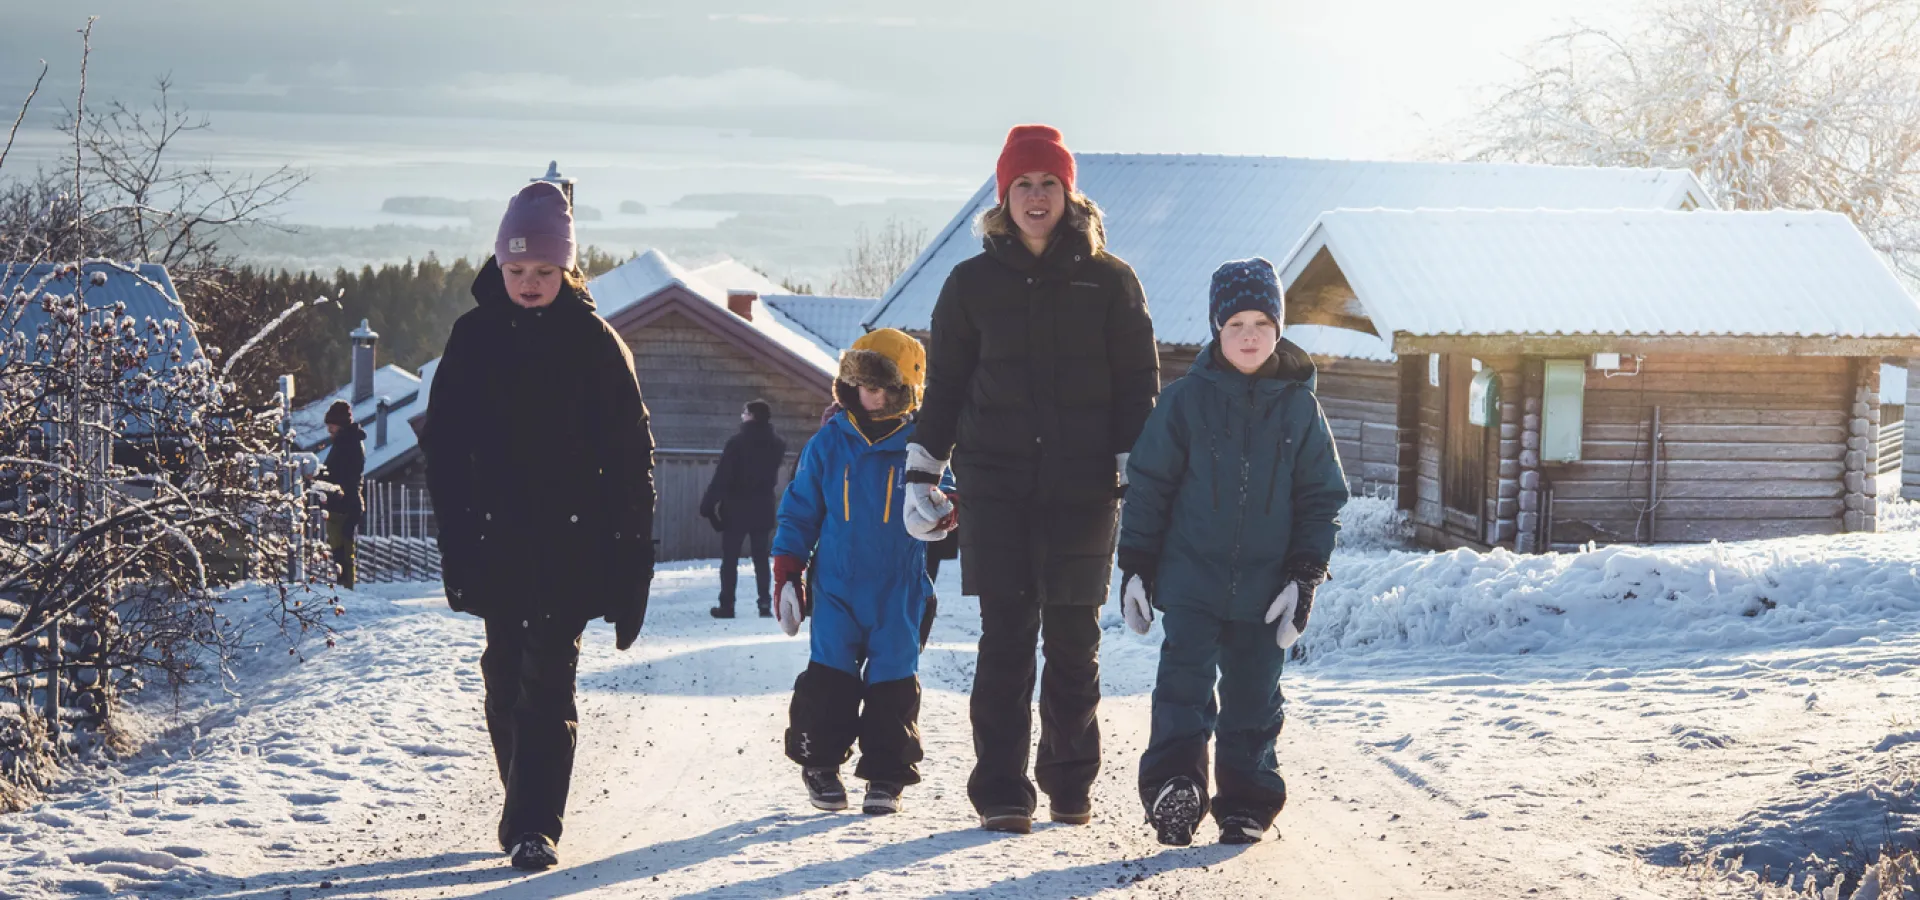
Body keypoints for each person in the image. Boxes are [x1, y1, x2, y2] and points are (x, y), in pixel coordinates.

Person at [903, 124, 1160, 833]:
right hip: (997, 487)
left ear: (1070, 193)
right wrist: (924, 469)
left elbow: (1139, 383)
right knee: (1007, 638)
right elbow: (947, 383)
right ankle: (1003, 792)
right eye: (1024, 185)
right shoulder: (971, 284)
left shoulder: (1110, 281)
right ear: (1004, 195)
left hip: (1084, 490)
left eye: (1049, 183)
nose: (1037, 197)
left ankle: (1070, 783)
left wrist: (1140, 472)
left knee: (1075, 641)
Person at [421, 180, 657, 872]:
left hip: (572, 547)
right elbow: (444, 452)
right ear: (499, 265)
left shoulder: (597, 345)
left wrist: (632, 563)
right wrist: (456, 545)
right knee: (503, 676)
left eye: (544, 272)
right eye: (517, 270)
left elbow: (632, 458)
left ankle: (532, 826)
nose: (529, 283)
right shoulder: (473, 339)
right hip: (496, 543)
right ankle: (523, 801)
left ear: (568, 269)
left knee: (548, 682)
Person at [1117, 258, 1348, 847]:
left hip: (1268, 590)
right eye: (1236, 323)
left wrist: (1304, 576)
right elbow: (1149, 486)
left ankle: (1245, 802)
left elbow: (1322, 498)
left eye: (1262, 323)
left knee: (1253, 697)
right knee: (1182, 690)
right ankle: (1176, 789)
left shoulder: (1300, 408)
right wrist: (1136, 567)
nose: (1249, 335)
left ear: (1279, 329)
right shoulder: (1185, 402)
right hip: (1191, 582)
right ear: (1217, 329)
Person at [771, 329, 955, 817]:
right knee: (829, 678)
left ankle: (886, 774)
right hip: (835, 586)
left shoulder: (925, 446)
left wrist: (945, 509)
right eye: (858, 386)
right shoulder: (830, 442)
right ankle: (820, 765)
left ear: (905, 390)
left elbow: (951, 496)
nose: (867, 396)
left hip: (900, 588)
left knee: (894, 682)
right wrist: (787, 571)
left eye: (878, 386)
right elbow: (800, 509)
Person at [701, 399, 787, 618]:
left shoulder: (736, 443)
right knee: (761, 558)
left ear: (752, 416)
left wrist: (709, 504)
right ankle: (765, 602)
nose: (742, 416)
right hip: (763, 506)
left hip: (736, 507)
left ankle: (727, 604)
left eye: (745, 412)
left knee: (730, 559)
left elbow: (723, 476)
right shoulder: (777, 445)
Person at [318, 400, 365, 589]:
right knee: (341, 549)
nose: (329, 430)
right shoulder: (346, 443)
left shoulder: (347, 444)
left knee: (343, 551)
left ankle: (346, 587)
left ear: (340, 425)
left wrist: (320, 477)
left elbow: (340, 474)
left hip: (344, 504)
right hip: (342, 504)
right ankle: (345, 585)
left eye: (332, 426)